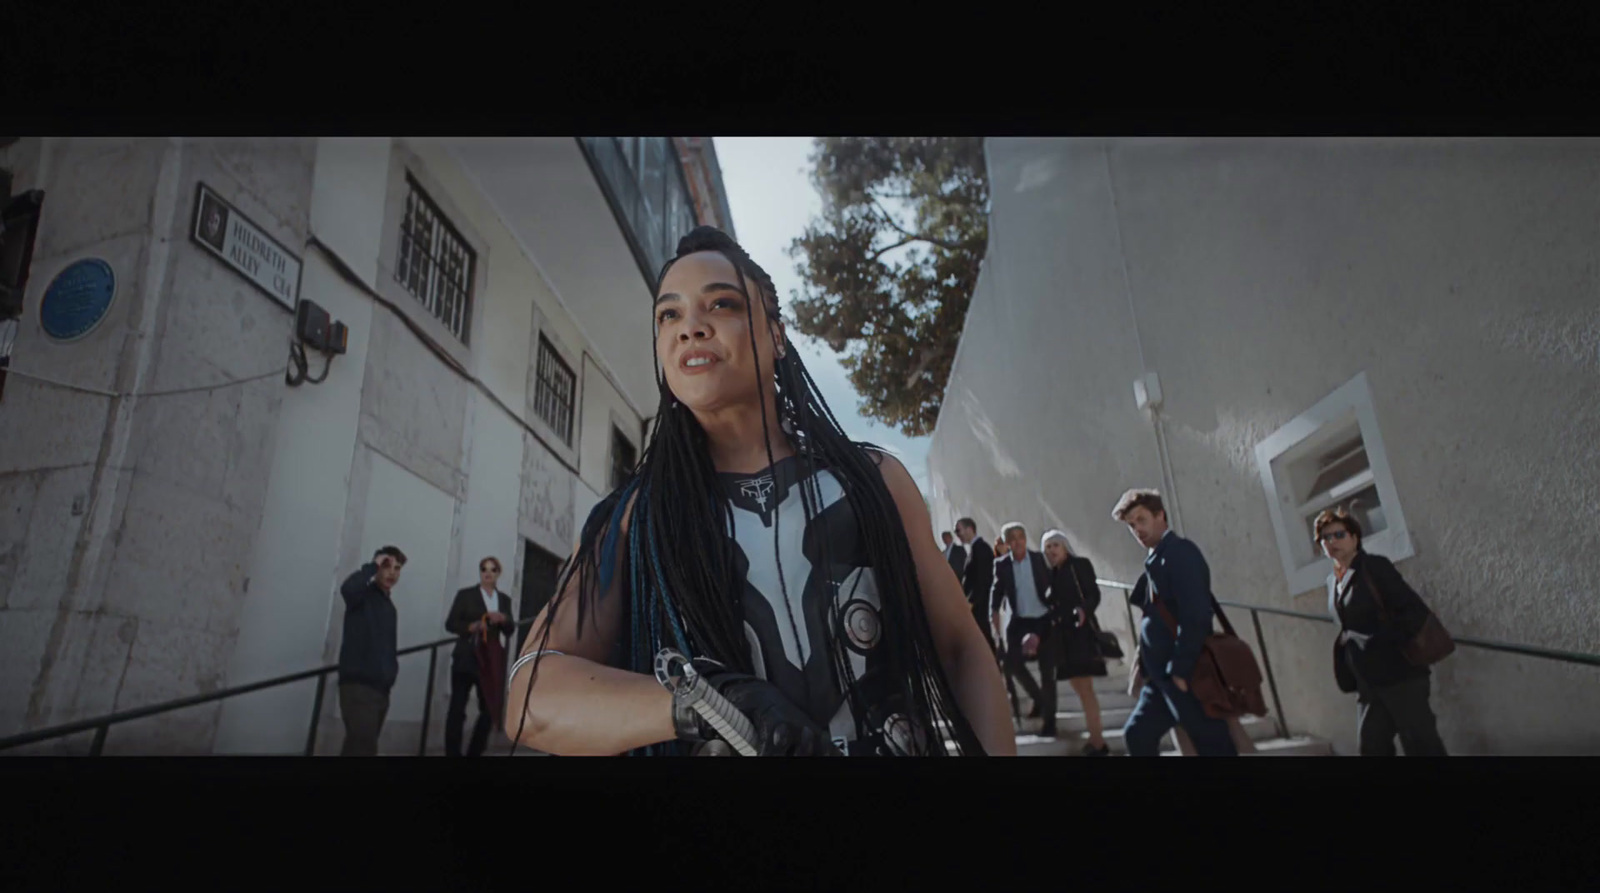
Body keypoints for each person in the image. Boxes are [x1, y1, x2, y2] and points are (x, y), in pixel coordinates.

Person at [501, 227, 1013, 757]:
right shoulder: (636, 519)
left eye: (721, 304)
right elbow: (530, 696)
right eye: (669, 315)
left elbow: (960, 650)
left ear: (777, 333)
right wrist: (709, 702)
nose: (690, 328)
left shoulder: (875, 479)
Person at [1111, 489, 1237, 757]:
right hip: (1160, 678)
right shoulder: (1156, 557)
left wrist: (1181, 669)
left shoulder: (1180, 553)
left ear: (1160, 516)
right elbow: (1153, 619)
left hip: (1186, 672)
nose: (1137, 530)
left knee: (1213, 744)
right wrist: (1142, 666)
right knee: (1137, 734)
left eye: (1141, 520)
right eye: (1132, 525)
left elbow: (1196, 615)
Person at [1320, 507, 1447, 756]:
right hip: (1368, 682)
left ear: (1355, 538)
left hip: (1400, 674)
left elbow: (1413, 613)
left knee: (1421, 745)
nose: (1331, 542)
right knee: (1372, 747)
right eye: (1325, 537)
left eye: (1339, 534)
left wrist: (1378, 643)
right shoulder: (1332, 581)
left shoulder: (1374, 567)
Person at [1040, 530, 1110, 756]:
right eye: (1048, 547)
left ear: (1065, 546)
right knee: (1079, 687)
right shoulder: (1053, 573)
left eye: (1055, 545)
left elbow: (1093, 594)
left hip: (1080, 634)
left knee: (1085, 688)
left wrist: (1083, 610)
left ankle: (1098, 742)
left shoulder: (1079, 565)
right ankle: (1095, 738)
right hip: (1063, 638)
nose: (1051, 551)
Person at [989, 522, 1059, 738]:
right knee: (1011, 665)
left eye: (1021, 536)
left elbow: (1052, 584)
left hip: (1044, 620)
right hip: (1019, 622)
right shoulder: (1002, 565)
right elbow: (997, 591)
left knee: (1048, 673)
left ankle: (1050, 722)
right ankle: (1039, 700)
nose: (1018, 541)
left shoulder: (1039, 559)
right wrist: (993, 613)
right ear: (1007, 543)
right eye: (1013, 538)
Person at [443, 556, 516, 757]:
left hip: (489, 659)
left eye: (493, 570)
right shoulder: (465, 595)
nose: (488, 573)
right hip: (466, 657)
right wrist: (472, 626)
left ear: (498, 573)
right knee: (457, 708)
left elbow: (510, 630)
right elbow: (450, 623)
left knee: (489, 708)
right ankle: (452, 753)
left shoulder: (503, 600)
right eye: (484, 569)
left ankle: (475, 751)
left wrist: (503, 618)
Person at [337, 546, 406, 756]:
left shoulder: (389, 607)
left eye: (397, 568)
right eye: (387, 566)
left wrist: (390, 674)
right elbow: (348, 588)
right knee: (363, 748)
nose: (392, 573)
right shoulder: (362, 596)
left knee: (357, 747)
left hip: (380, 689)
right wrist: (372, 565)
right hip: (359, 686)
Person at [956, 518, 995, 654]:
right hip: (976, 603)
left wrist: (972, 601)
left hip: (980, 604)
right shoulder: (974, 549)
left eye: (958, 530)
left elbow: (982, 579)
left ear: (969, 529)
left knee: (983, 635)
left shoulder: (981, 549)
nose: (957, 535)